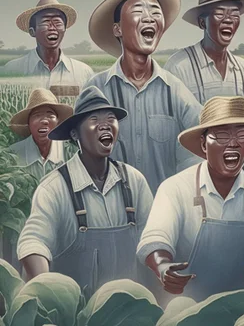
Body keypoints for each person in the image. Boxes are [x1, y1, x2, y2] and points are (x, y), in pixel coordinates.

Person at [17, 86, 153, 298]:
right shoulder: (55, 188)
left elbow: (152, 240)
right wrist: (48, 292)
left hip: (129, 314)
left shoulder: (134, 181)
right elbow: (32, 242)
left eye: (110, 118)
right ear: (74, 133)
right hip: (78, 318)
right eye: (94, 120)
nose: (105, 125)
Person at [84, 0, 203, 195]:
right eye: (138, 10)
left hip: (163, 214)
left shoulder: (176, 91)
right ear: (117, 29)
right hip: (111, 216)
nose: (149, 17)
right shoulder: (96, 89)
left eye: (156, 12)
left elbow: (196, 154)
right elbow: (85, 159)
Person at [137, 96, 244, 304]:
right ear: (203, 144)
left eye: (242, 132)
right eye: (221, 134)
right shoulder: (175, 188)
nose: (233, 142)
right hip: (189, 311)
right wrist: (163, 267)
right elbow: (155, 239)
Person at [164, 0, 244, 104]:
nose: (228, 20)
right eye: (219, 13)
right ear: (202, 22)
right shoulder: (179, 67)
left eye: (235, 14)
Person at [4, 0, 93, 91]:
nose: (52, 27)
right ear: (32, 31)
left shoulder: (83, 72)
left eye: (57, 22)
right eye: (45, 22)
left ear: (64, 29)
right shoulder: (12, 70)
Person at [9, 88, 73, 181]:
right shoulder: (13, 154)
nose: (44, 120)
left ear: (58, 122)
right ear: (28, 123)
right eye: (37, 115)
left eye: (50, 115)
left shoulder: (70, 153)